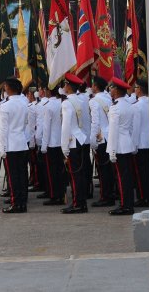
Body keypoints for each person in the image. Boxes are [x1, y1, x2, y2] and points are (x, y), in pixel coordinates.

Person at [0, 77, 29, 214]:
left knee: (13, 177)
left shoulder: (5, 106)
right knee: (22, 175)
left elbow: (4, 130)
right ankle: (22, 202)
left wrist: (2, 148)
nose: (4, 89)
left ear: (9, 88)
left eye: (5, 86)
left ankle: (16, 203)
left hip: (11, 144)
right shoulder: (24, 103)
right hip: (22, 142)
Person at [60, 73, 90, 214]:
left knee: (75, 175)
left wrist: (64, 147)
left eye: (65, 84)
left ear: (68, 87)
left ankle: (78, 203)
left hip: (72, 141)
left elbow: (65, 126)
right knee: (80, 174)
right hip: (81, 139)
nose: (64, 87)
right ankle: (81, 202)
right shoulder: (80, 100)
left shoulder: (67, 103)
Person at [106, 77, 136, 216]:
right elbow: (131, 128)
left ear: (117, 90)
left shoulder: (115, 108)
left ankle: (125, 205)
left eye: (112, 87)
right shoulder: (128, 105)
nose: (110, 90)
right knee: (127, 177)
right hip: (127, 144)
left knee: (121, 178)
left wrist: (112, 150)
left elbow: (113, 131)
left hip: (118, 146)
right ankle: (128, 203)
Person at [90, 77, 116, 207]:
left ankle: (105, 196)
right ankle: (109, 194)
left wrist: (92, 141)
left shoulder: (94, 101)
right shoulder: (107, 98)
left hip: (100, 138)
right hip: (109, 136)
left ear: (95, 87)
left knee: (103, 170)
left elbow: (95, 122)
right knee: (108, 170)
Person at [40, 86, 64, 206]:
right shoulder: (62, 103)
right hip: (62, 141)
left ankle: (55, 196)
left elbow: (46, 127)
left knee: (52, 172)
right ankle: (62, 193)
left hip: (52, 142)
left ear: (48, 91)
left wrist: (44, 145)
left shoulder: (49, 106)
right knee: (60, 170)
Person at [131, 79, 149, 207]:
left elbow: (135, 128)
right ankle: (148, 196)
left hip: (141, 143)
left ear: (140, 89)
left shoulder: (137, 106)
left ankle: (143, 197)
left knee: (140, 173)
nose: (134, 89)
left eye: (136, 87)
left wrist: (134, 145)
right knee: (148, 172)